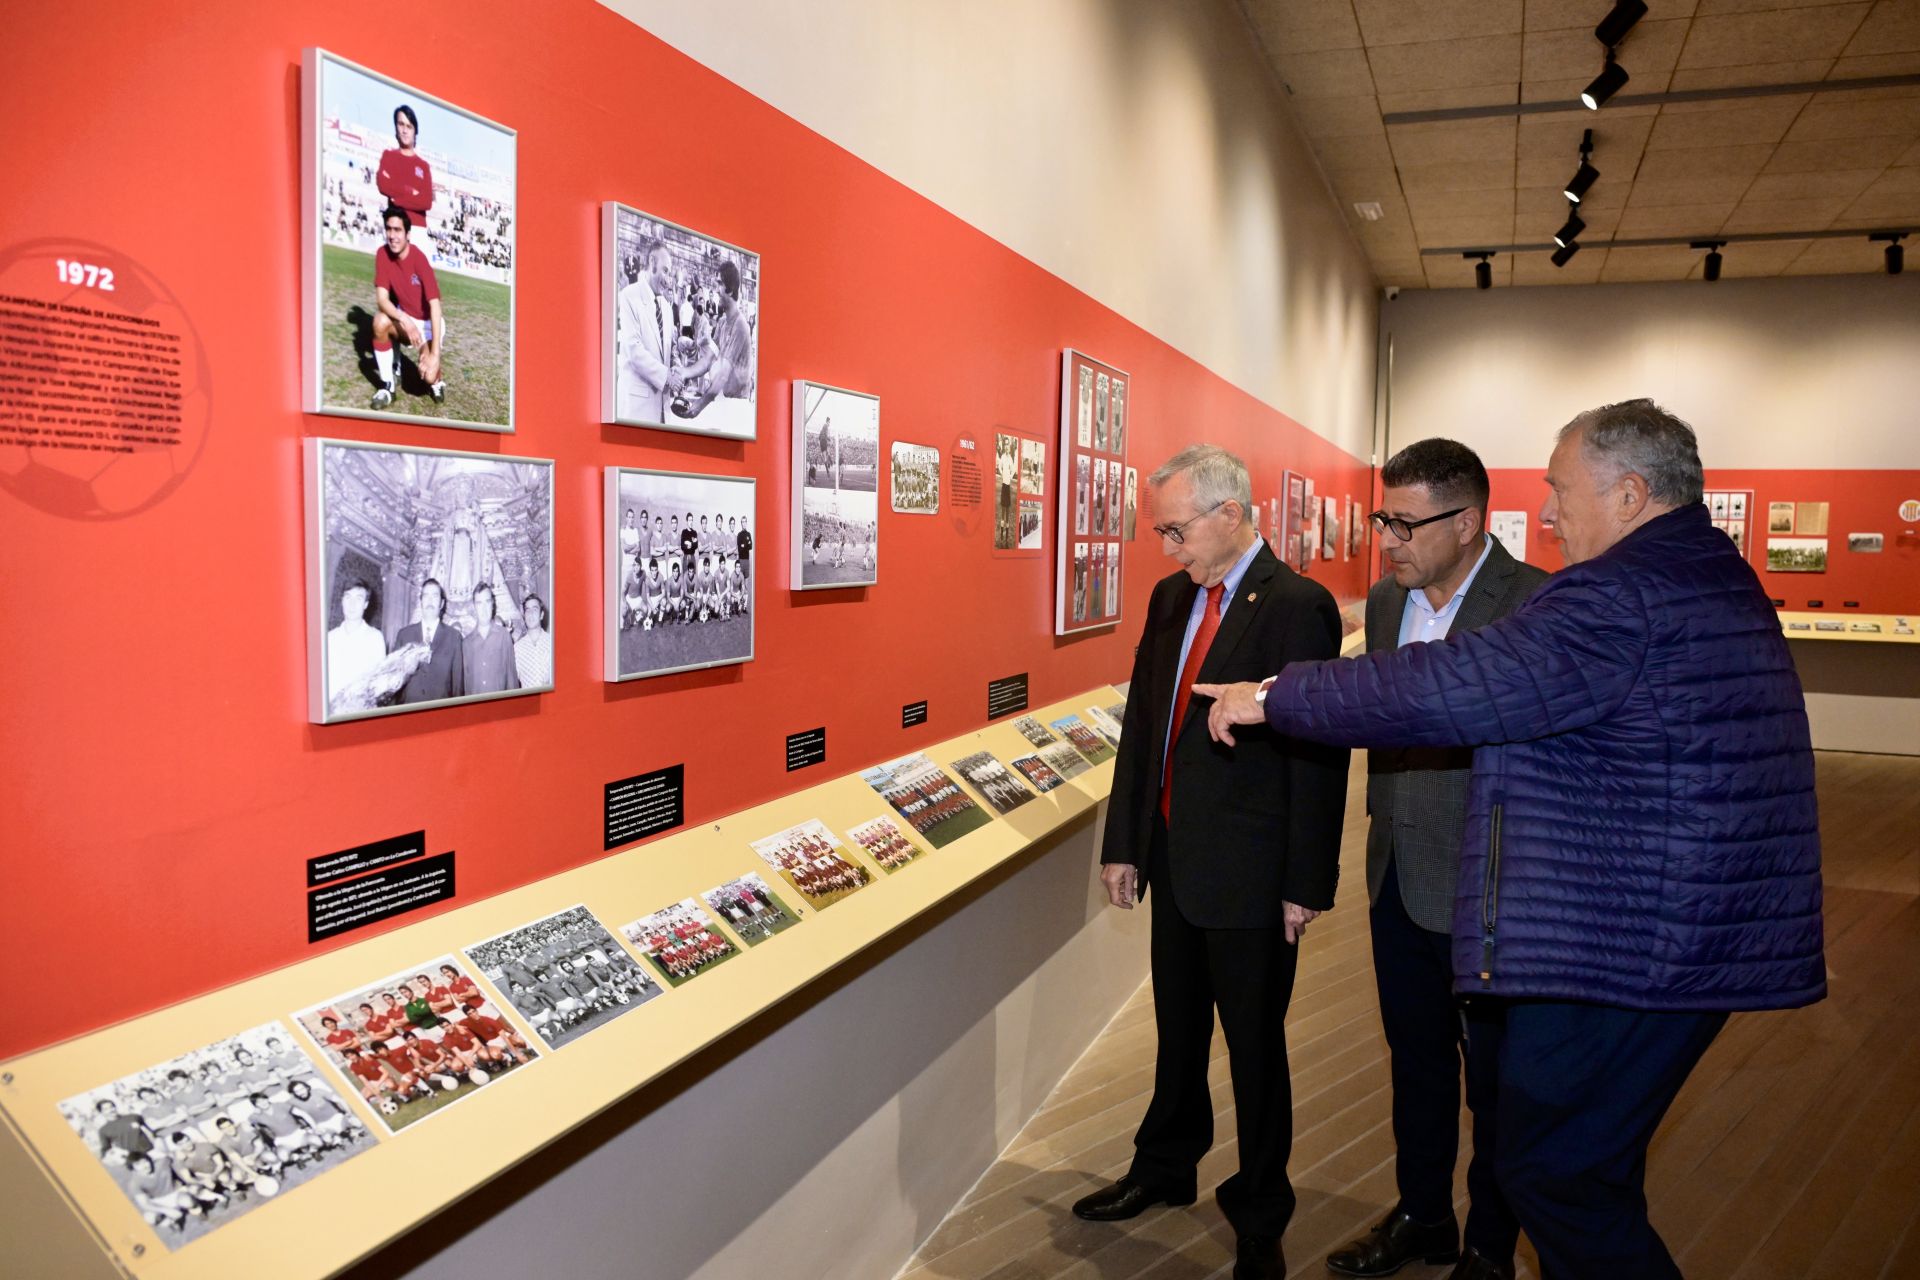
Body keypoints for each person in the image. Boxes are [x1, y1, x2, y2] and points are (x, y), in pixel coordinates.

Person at [1200, 400, 1824, 1280]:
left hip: (1639, 937)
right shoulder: (1694, 573)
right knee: (1572, 1167)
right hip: (1656, 917)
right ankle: (1432, 1218)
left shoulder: (1624, 593)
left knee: (1554, 1169)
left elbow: (1463, 683)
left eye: (1563, 490)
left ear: (1633, 493)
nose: (1551, 511)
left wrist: (1275, 697)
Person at [1070, 444, 1348, 1280]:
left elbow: (1318, 753)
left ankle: (1261, 1207)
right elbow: (1145, 725)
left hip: (1254, 874)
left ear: (1230, 514)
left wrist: (1306, 881)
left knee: (1255, 1048)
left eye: (1177, 528)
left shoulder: (1298, 605)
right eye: (1161, 530)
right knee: (1178, 1032)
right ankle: (1164, 1166)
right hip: (1175, 859)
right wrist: (1125, 844)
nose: (1167, 547)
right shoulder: (1168, 599)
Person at [1320, 441, 1545, 1280]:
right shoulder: (1386, 602)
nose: (1390, 540)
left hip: (1493, 887)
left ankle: (1490, 1244)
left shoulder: (1535, 605)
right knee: (1414, 1062)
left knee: (1495, 1083)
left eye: (1408, 524)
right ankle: (1423, 1216)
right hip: (1395, 875)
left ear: (1469, 522)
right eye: (1386, 519)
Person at [370, 205, 445, 409]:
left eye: (398, 230)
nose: (392, 236)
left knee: (427, 376)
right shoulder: (382, 255)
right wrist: (403, 318)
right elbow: (382, 300)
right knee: (380, 322)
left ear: (408, 234)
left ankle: (437, 381)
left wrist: (435, 355)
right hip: (406, 321)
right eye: (389, 229)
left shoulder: (419, 259)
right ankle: (387, 387)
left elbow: (435, 307)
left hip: (429, 323)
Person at [616, 241, 675, 422]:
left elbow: (669, 351)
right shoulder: (628, 296)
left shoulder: (666, 307)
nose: (667, 279)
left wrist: (678, 367)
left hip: (662, 412)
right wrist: (667, 377)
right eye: (665, 271)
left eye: (669, 273)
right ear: (652, 262)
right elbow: (634, 351)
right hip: (636, 410)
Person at [376, 105, 434, 261]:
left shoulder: (423, 166)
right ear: (396, 127)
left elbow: (426, 202)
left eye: (409, 126)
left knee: (420, 283)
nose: (404, 130)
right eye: (400, 124)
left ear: (415, 131)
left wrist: (397, 197)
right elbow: (383, 185)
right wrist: (410, 191)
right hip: (396, 229)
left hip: (418, 230)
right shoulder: (389, 156)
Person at [394, 578, 463, 704]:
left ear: (442, 603)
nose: (430, 600)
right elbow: (394, 683)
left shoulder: (454, 638)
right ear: (420, 601)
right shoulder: (404, 635)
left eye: (435, 596)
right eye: (426, 595)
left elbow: (458, 686)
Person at [326, 579, 388, 706]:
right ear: (342, 601)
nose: (352, 604)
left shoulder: (375, 639)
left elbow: (378, 683)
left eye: (358, 599)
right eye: (348, 597)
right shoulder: (330, 638)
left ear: (365, 604)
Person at [461, 580, 520, 695]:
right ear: (474, 607)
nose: (483, 609)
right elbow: (466, 684)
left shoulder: (504, 636)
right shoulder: (466, 644)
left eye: (487, 602)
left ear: (492, 604)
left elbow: (511, 679)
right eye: (479, 603)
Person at [514, 592, 552, 688]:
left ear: (541, 615)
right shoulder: (517, 648)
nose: (530, 613)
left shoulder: (553, 643)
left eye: (535, 609)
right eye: (527, 610)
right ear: (524, 615)